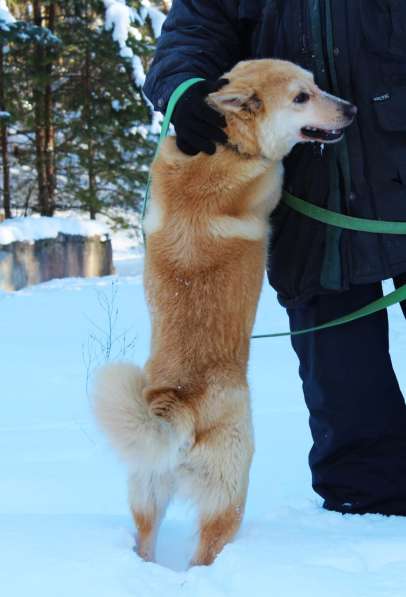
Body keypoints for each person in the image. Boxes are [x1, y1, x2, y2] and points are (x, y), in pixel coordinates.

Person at [143, 0, 406, 516]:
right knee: (343, 376)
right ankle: (369, 510)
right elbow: (189, 40)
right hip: (308, 203)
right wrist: (188, 95)